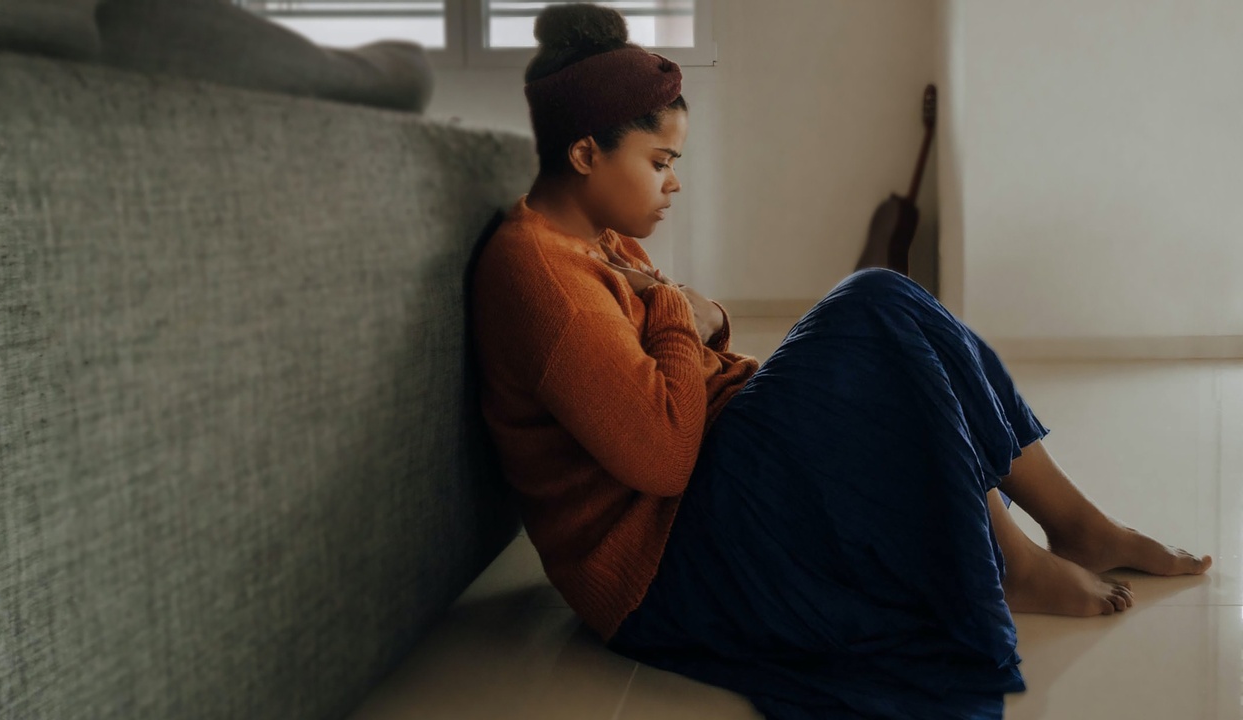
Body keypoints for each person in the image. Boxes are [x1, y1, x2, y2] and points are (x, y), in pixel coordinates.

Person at [470, 5, 1211, 718]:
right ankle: (1011, 563)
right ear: (585, 154)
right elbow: (662, 456)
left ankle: (1078, 526)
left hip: (704, 487)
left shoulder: (598, 238)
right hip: (662, 566)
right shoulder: (542, 278)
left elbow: (690, 345)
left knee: (885, 306)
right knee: (872, 307)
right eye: (660, 162)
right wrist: (673, 308)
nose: (674, 182)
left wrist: (707, 320)